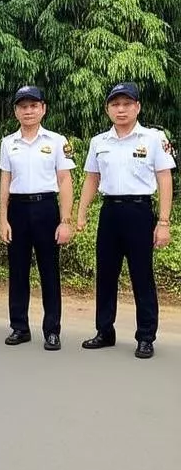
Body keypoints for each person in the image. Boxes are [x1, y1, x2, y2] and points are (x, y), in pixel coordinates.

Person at [76, 82, 175, 358]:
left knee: (141, 276)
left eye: (126, 104)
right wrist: (81, 213)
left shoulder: (153, 138)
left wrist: (163, 222)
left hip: (139, 212)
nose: (121, 110)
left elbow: (165, 178)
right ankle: (104, 331)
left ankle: (145, 336)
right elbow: (92, 179)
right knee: (105, 274)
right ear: (108, 109)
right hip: (110, 212)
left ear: (137, 107)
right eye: (115, 105)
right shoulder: (99, 142)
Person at [0, 86, 75, 351]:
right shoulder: (9, 142)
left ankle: (52, 330)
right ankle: (19, 327)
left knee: (49, 272)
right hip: (18, 210)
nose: (28, 111)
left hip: (46, 209)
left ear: (43, 108)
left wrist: (66, 220)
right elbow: (5, 181)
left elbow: (65, 181)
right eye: (22, 106)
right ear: (16, 111)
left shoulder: (56, 141)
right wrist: (2, 218)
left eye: (33, 106)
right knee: (17, 271)